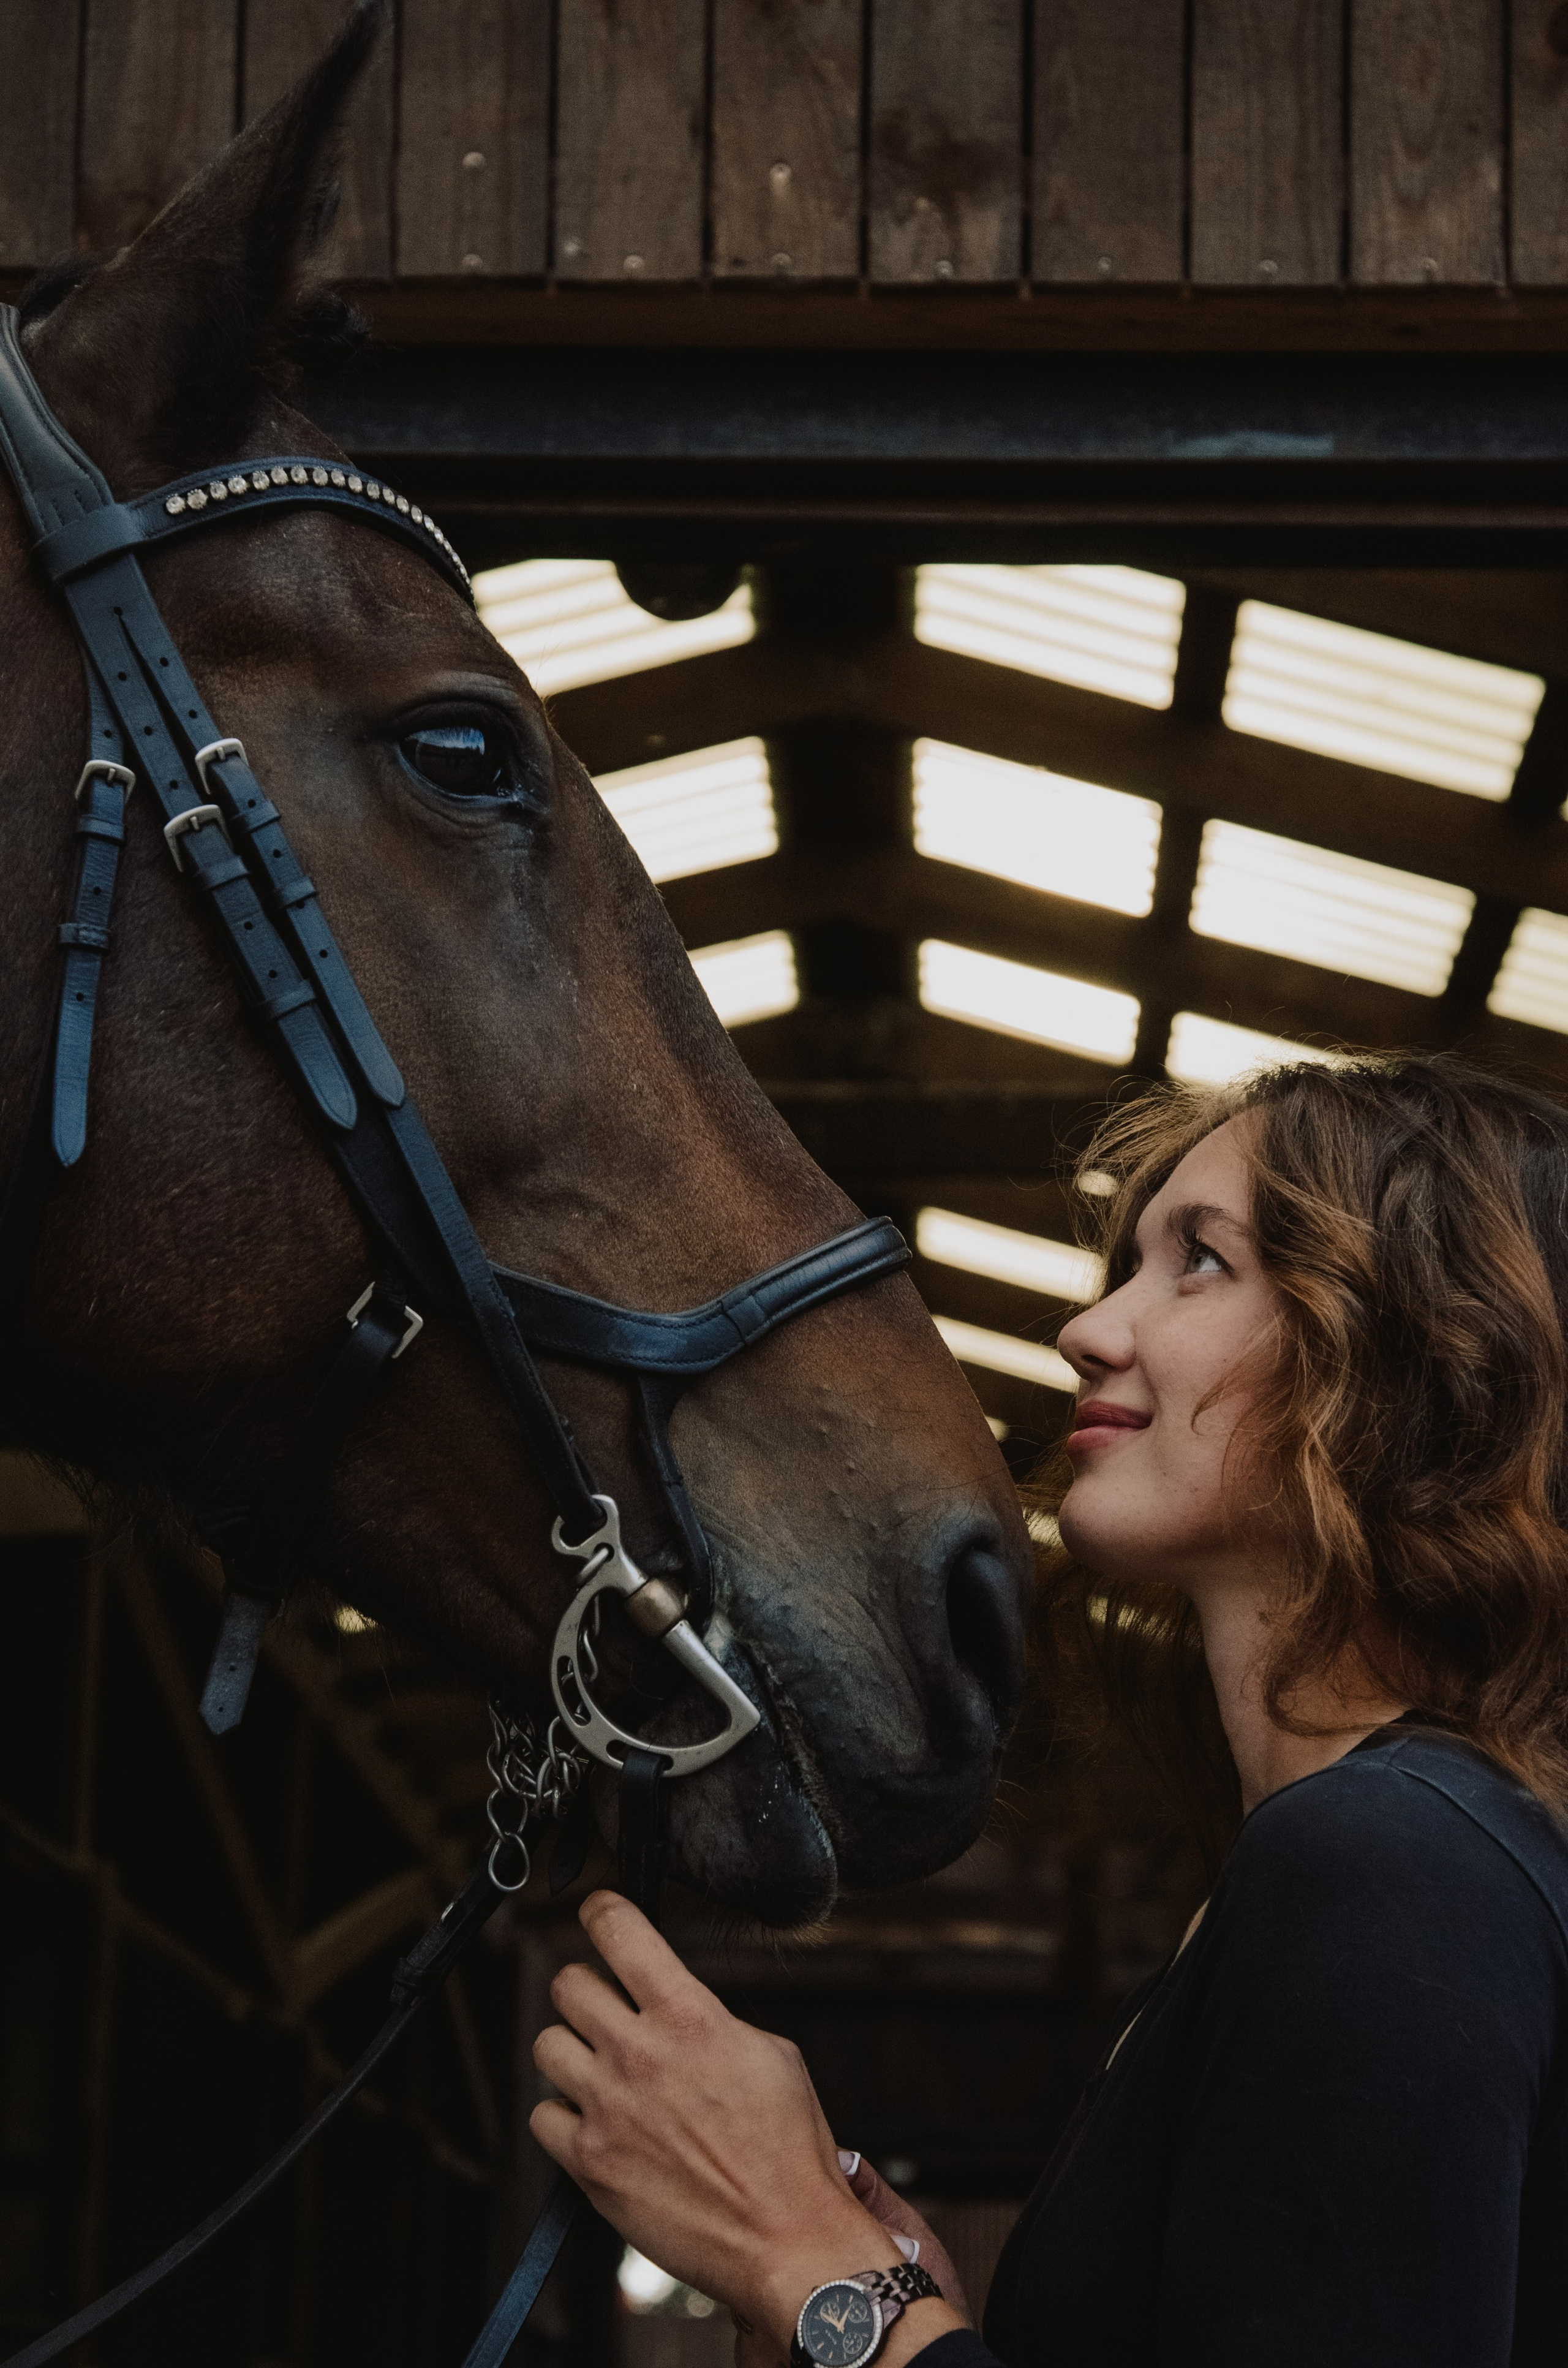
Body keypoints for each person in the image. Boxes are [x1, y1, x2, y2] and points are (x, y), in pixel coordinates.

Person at [529, 1054, 1568, 2368]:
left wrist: (820, 2272)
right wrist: (917, 2320)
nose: (1087, 1328)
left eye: (1199, 1260)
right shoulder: (1379, 1853)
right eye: (1124, 1262)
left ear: (1412, 1351)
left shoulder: (1387, 1865)